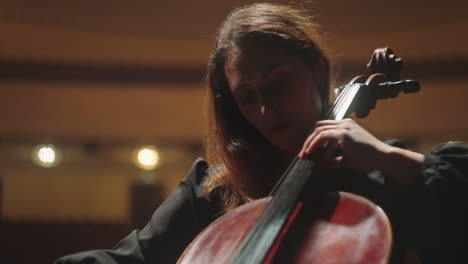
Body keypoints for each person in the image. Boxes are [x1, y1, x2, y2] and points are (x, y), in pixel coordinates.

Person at [56, 3, 468, 264]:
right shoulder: (211, 192)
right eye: (247, 97)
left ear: (318, 71)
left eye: (278, 84)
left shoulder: (385, 177)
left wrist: (388, 157)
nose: (266, 110)